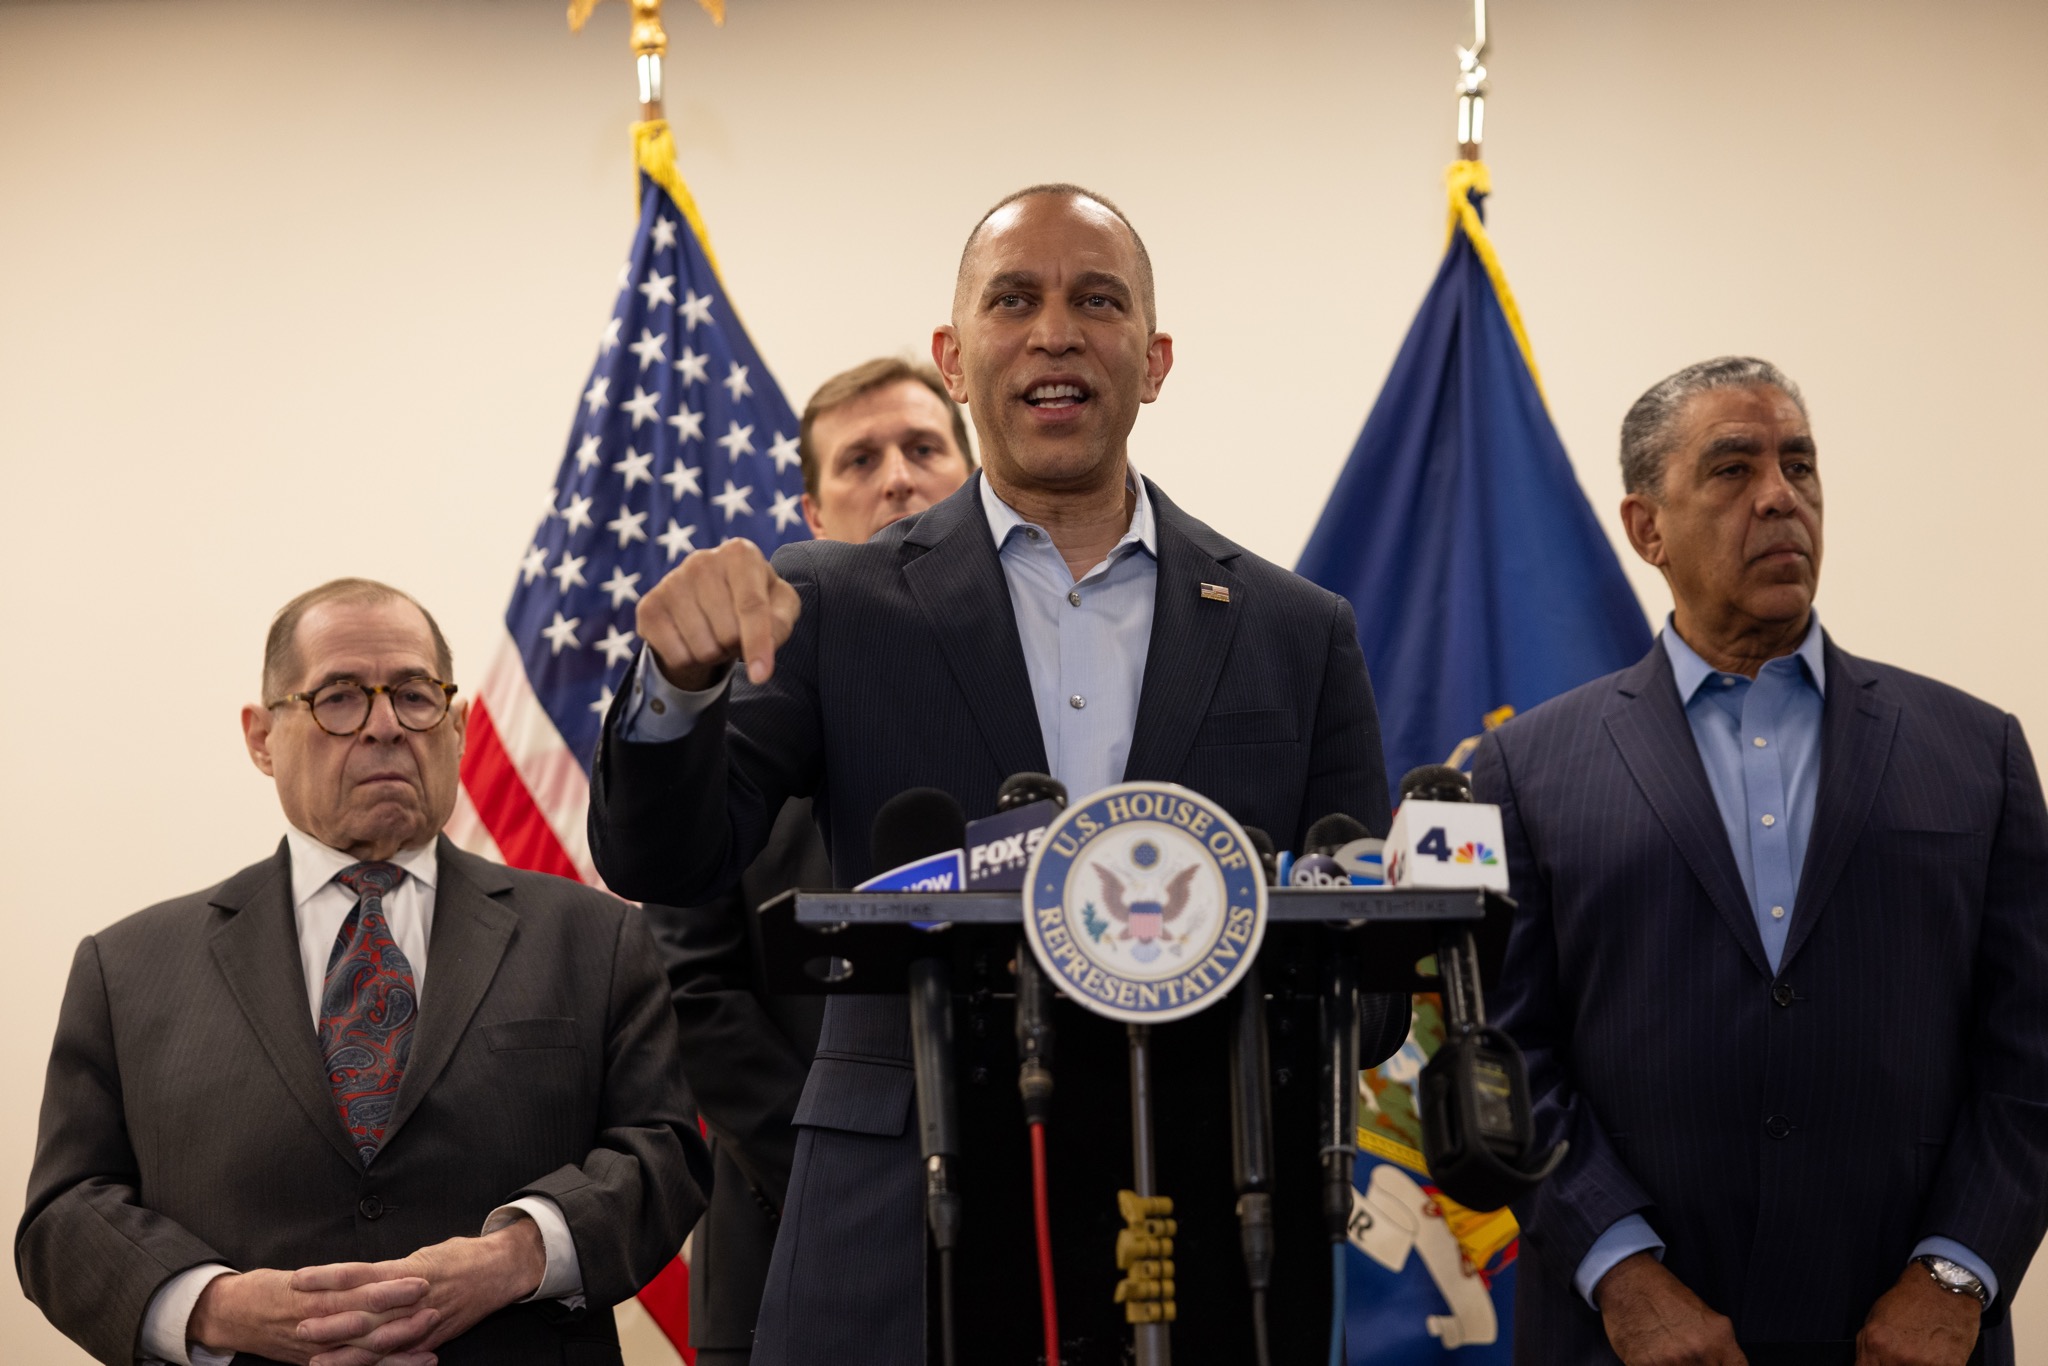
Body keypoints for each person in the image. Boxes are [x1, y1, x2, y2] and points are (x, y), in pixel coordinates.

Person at [587, 184, 1408, 1365]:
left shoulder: (1295, 630)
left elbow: (1369, 997)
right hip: (905, 1222)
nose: (1054, 331)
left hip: (1207, 1219)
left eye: (1097, 301)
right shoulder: (829, 601)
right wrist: (677, 686)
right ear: (953, 357)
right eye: (1013, 300)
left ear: (1154, 361)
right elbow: (664, 858)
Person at [1472, 358, 2048, 1365]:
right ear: (1645, 528)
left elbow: (2030, 1050)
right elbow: (1505, 1057)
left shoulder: (1975, 750)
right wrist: (1622, 1274)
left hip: (1912, 1336)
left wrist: (1955, 1274)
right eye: (1733, 468)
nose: (1781, 496)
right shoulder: (1527, 766)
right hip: (1628, 1338)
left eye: (1800, 465)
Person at [18, 578, 708, 1366]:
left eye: (414, 695)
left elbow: (665, 1156)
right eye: (339, 697)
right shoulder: (126, 970)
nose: (385, 726)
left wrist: (517, 1257)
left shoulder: (595, 937)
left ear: (458, 726)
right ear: (261, 737)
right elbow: (64, 1216)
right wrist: (214, 1308)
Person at [645, 356, 974, 1366]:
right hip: (786, 1230)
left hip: (1034, 1228)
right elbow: (692, 984)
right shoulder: (748, 704)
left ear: (973, 476)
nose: (897, 478)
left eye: (923, 448)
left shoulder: (1060, 682)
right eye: (859, 460)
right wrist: (847, 1172)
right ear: (813, 515)